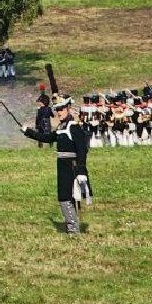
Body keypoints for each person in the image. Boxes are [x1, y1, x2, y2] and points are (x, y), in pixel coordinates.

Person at [21, 94, 92, 234]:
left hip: (72, 166)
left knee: (66, 197)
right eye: (57, 109)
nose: (59, 112)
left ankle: (73, 229)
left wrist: (81, 170)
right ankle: (73, 227)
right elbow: (47, 138)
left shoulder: (73, 127)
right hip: (62, 166)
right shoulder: (61, 127)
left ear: (68, 109)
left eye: (62, 109)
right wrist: (28, 131)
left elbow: (82, 149)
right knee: (66, 197)